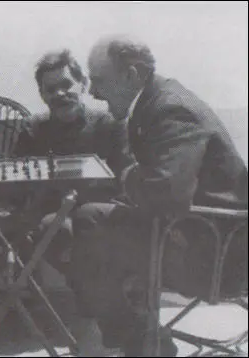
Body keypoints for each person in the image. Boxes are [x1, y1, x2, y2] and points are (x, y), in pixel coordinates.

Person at [69, 35, 248, 356]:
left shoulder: (171, 108)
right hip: (192, 233)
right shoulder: (156, 102)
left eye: (98, 80)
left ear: (132, 75)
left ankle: (136, 338)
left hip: (216, 254)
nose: (93, 92)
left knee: (89, 224)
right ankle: (142, 338)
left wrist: (127, 176)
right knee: (82, 228)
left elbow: (166, 193)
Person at [9, 49, 133, 277]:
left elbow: (126, 180)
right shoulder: (33, 129)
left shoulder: (110, 125)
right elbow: (17, 186)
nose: (60, 93)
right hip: (51, 216)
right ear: (42, 95)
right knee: (52, 227)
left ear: (83, 84)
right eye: (51, 89)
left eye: (67, 84)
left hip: (98, 216)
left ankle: (91, 290)